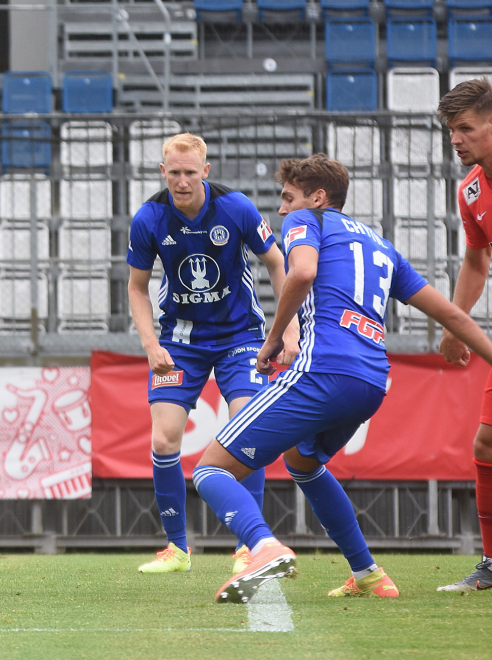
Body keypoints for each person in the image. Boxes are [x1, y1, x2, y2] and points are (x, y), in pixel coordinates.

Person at [191, 154, 492, 604]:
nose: (281, 209)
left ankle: (263, 546)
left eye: (287, 198)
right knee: (303, 461)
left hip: (322, 370)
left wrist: (273, 338)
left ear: (317, 197)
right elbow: (451, 313)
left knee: (210, 469)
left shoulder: (306, 221)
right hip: (371, 382)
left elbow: (303, 271)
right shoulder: (381, 245)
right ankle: (368, 573)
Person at [126, 133, 299, 574]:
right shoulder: (148, 218)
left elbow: (278, 264)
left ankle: (249, 546)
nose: (181, 182)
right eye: (174, 173)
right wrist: (151, 344)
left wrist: (289, 329)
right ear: (162, 172)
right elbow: (136, 286)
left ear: (206, 171)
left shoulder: (236, 207)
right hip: (180, 342)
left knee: (248, 430)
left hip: (240, 336)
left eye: (190, 172)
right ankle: (177, 549)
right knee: (164, 438)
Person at [437, 77, 492, 592]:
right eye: (452, 130)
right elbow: (477, 259)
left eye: (466, 128)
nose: (456, 139)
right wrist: (457, 320)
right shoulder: (471, 189)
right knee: (488, 441)